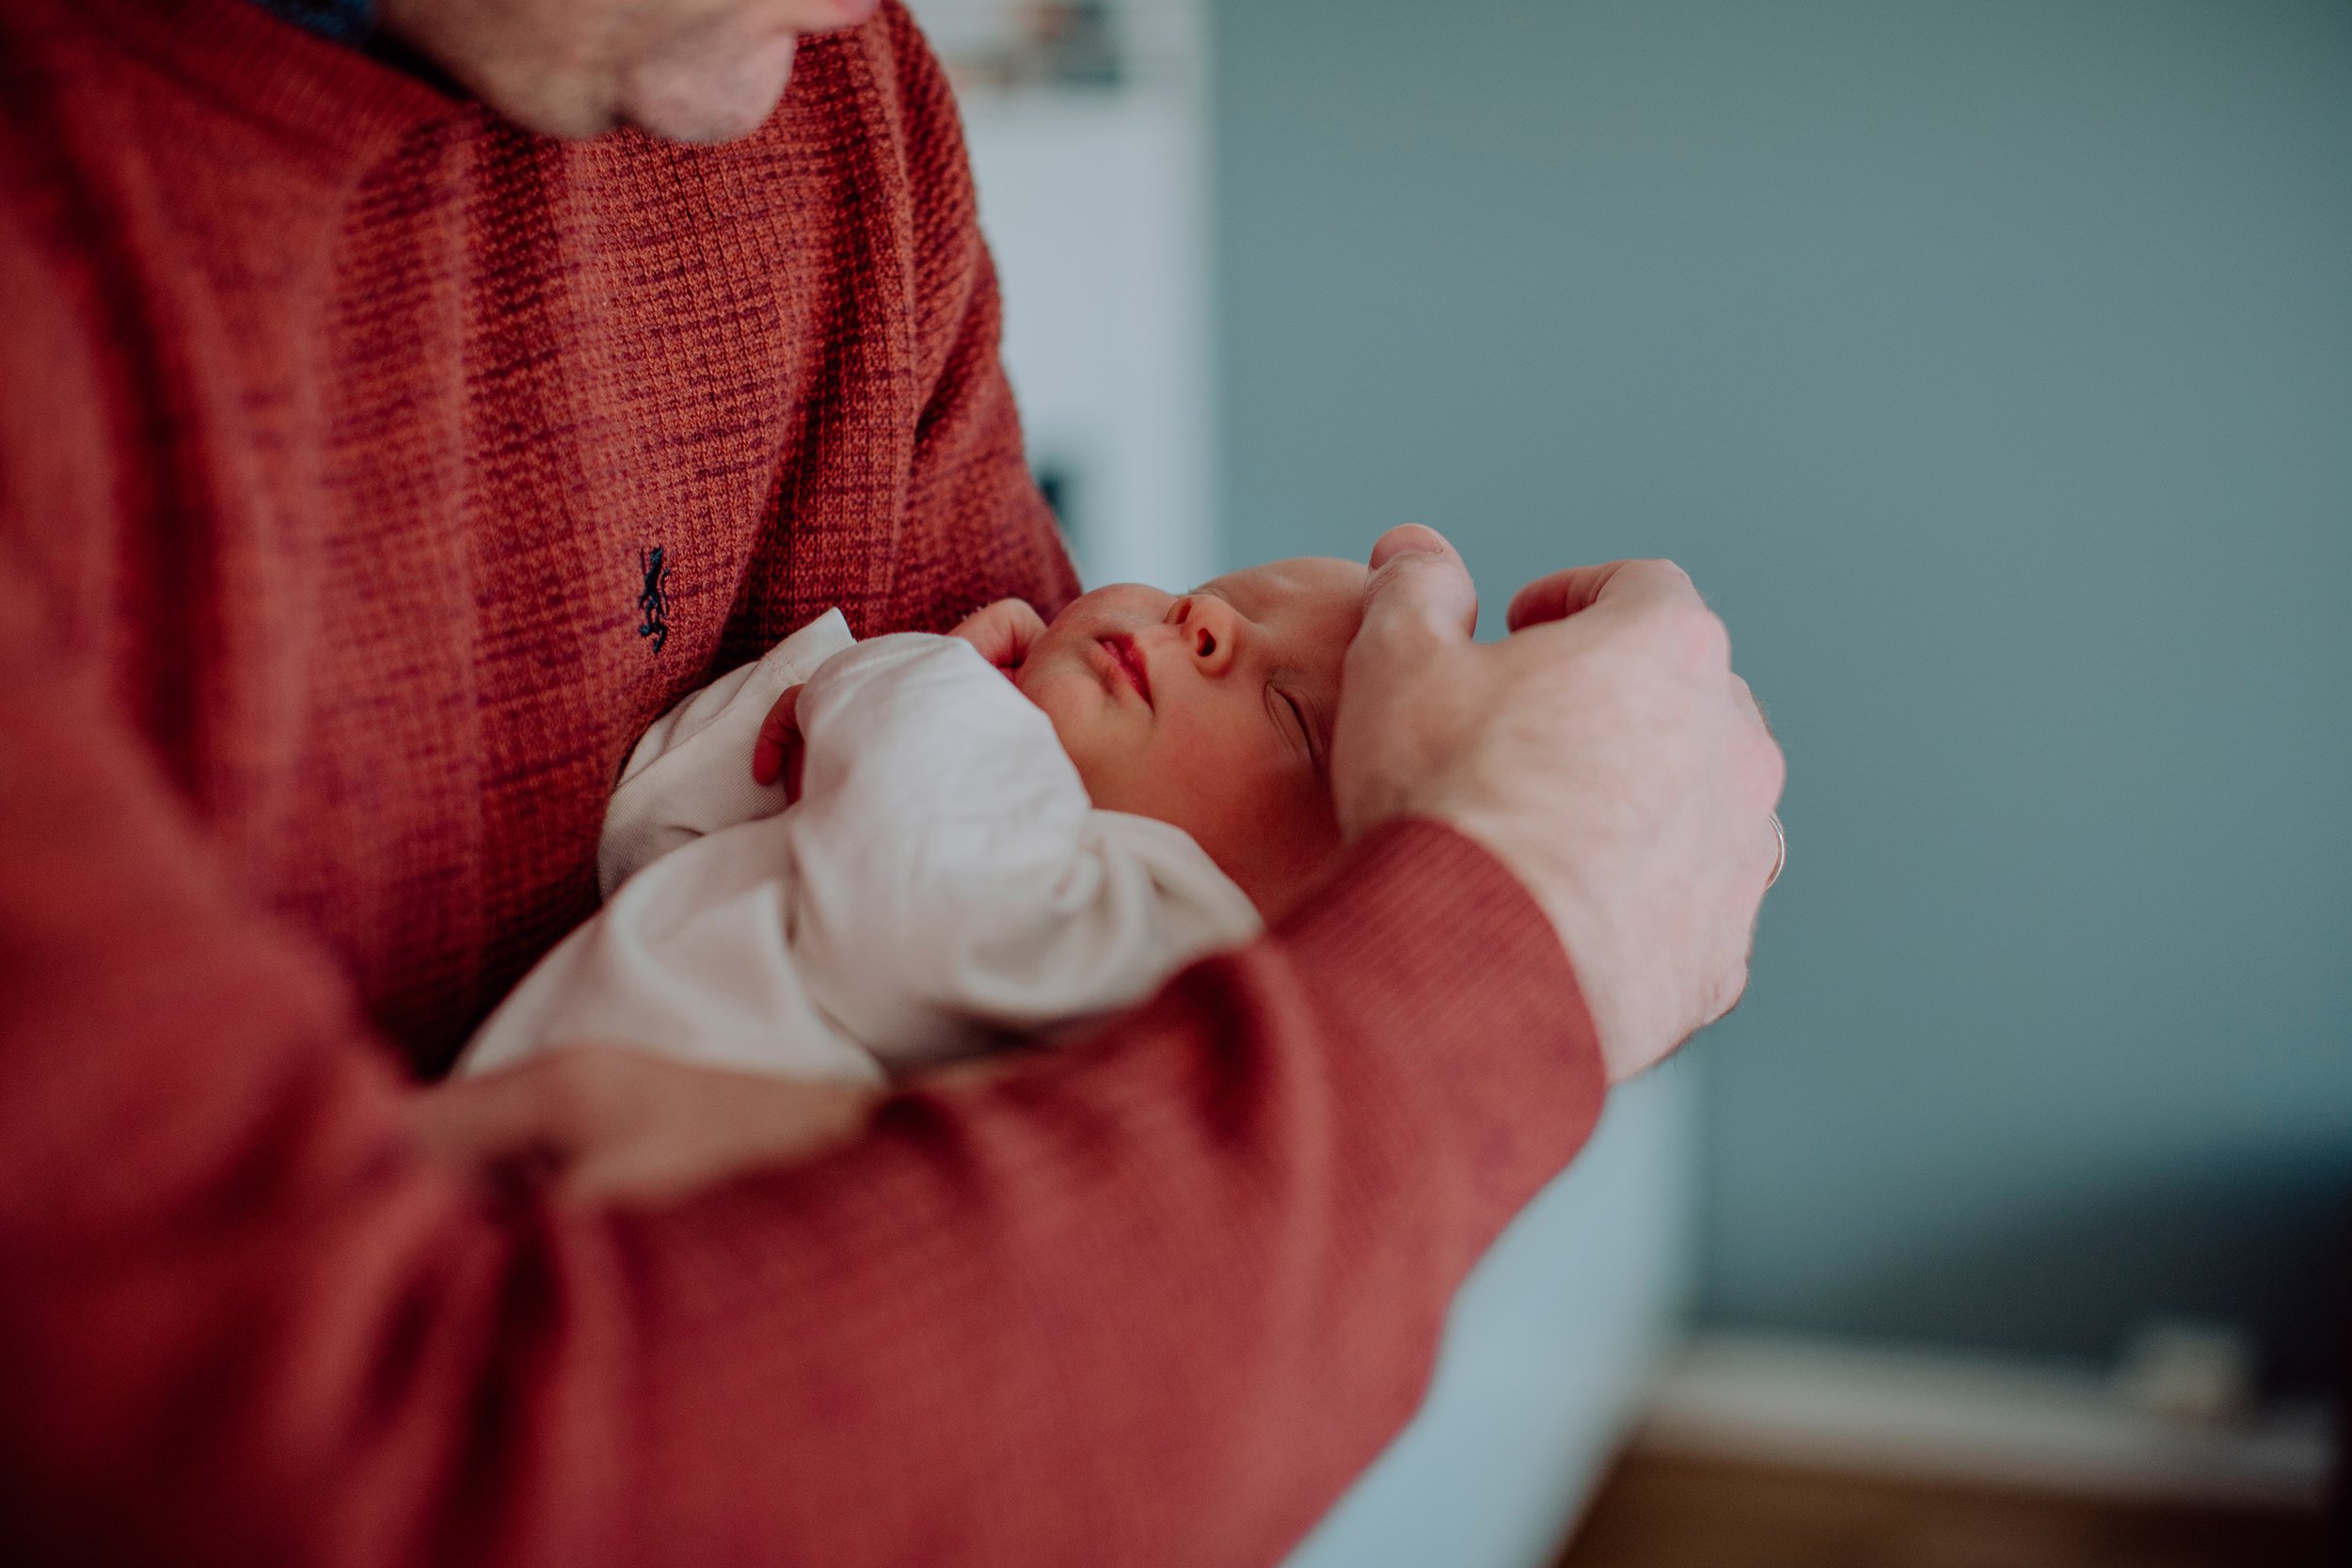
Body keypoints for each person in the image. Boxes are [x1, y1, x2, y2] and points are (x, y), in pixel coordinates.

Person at [0, 1, 1784, 1565]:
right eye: (1213, 604)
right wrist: (1527, 925)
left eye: (1297, 723)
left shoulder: (822, 107)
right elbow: (337, 1478)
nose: (1184, 626)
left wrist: (880, 1154)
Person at [461, 558, 1365, 1085]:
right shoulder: (955, 795)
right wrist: (826, 704)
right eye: (1201, 590)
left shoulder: (1173, 941)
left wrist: (937, 683)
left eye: (1287, 708)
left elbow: (921, 909)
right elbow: (648, 824)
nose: (1203, 619)